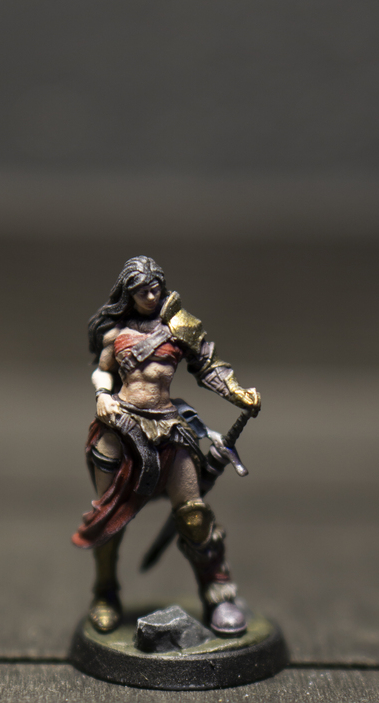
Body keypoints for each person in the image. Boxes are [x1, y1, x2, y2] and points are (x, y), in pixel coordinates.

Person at [72, 255, 260, 638]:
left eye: (155, 287)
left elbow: (209, 366)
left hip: (168, 429)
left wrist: (239, 393)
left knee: (194, 515)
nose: (151, 295)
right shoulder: (115, 333)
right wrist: (102, 395)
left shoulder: (180, 326)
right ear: (129, 294)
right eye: (142, 291)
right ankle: (105, 593)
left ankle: (218, 592)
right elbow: (102, 369)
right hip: (120, 428)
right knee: (108, 521)